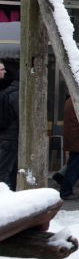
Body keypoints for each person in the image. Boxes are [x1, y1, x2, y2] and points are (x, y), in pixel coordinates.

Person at [0, 60, 19, 190]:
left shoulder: (6, 90)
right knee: (5, 171)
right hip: (8, 136)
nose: (5, 71)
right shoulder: (10, 92)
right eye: (2, 69)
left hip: (6, 135)